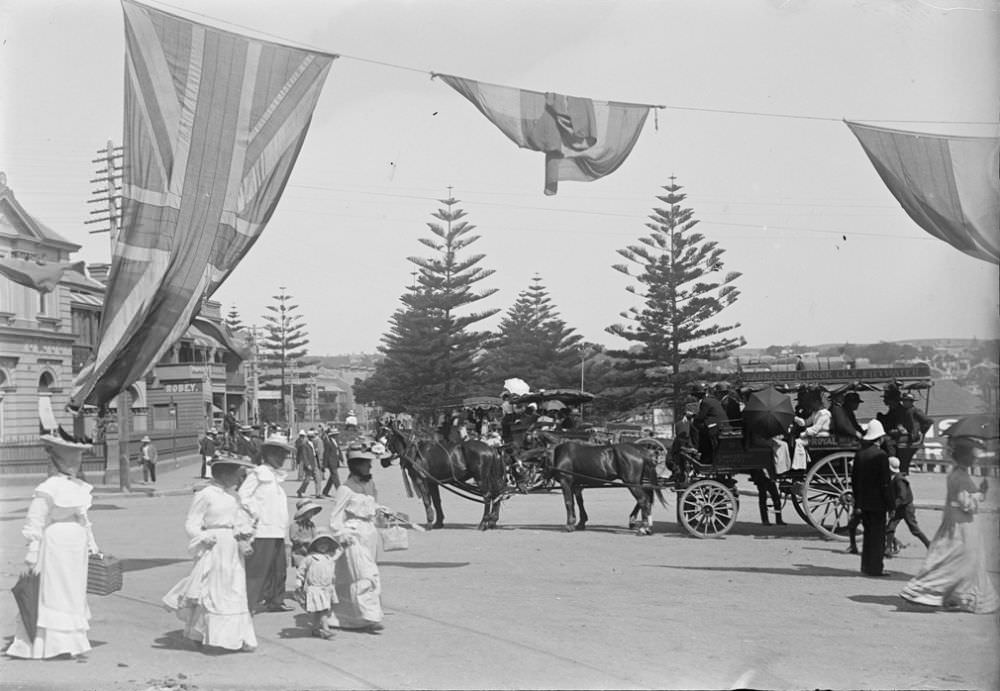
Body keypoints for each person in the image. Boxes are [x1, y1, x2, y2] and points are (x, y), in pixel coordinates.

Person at [6, 435, 100, 659]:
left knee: (73, 591)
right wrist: (33, 549)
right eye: (71, 461)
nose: (75, 466)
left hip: (75, 546)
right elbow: (35, 520)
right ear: (60, 462)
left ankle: (71, 642)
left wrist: (92, 543)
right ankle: (49, 643)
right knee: (54, 591)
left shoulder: (78, 486)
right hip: (56, 545)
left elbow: (83, 518)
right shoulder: (48, 488)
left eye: (77, 462)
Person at [162, 456, 257, 652]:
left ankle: (237, 637)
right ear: (223, 474)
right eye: (235, 474)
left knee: (234, 589)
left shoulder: (234, 496)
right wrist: (203, 536)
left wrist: (246, 533)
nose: (238, 479)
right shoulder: (206, 494)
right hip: (214, 546)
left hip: (232, 547)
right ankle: (203, 635)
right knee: (212, 591)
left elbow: (239, 520)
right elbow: (192, 523)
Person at [899, 436, 999, 614]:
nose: (974, 459)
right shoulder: (959, 476)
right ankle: (930, 590)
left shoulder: (958, 473)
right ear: (963, 456)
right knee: (958, 557)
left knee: (962, 558)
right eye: (971, 456)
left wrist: (979, 492)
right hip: (962, 523)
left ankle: (957, 594)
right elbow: (965, 503)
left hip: (959, 521)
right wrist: (980, 495)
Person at [240, 434, 293, 614]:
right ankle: (248, 604)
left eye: (284, 455)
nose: (282, 458)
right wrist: (256, 512)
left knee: (279, 569)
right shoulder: (258, 474)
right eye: (278, 454)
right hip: (263, 530)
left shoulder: (275, 476)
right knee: (258, 570)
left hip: (277, 529)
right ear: (268, 454)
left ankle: (275, 599)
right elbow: (243, 496)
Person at [327, 485, 384, 632]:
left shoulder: (370, 486)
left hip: (369, 534)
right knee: (362, 574)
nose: (367, 468)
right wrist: (342, 533)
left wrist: (381, 512)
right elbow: (336, 515)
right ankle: (368, 615)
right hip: (353, 535)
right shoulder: (345, 489)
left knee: (372, 572)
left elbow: (372, 508)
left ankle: (362, 616)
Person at [850, 420, 894, 577]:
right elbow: (885, 483)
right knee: (877, 537)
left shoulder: (860, 455)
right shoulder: (881, 456)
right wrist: (891, 503)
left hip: (863, 501)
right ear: (880, 438)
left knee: (868, 535)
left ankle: (866, 566)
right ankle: (875, 568)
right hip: (878, 503)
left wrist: (858, 501)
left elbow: (854, 481)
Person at [295, 529, 344, 639]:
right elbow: (301, 571)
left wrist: (343, 543)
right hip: (315, 588)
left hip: (326, 588)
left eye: (325, 544)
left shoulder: (329, 558)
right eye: (320, 544)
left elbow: (339, 551)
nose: (323, 546)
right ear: (315, 545)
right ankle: (326, 629)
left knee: (320, 610)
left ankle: (316, 629)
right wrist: (299, 583)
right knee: (323, 610)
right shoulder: (310, 558)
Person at [884, 456, 930, 557]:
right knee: (890, 527)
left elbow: (902, 496)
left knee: (914, 529)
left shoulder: (899, 480)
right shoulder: (895, 478)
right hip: (900, 507)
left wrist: (893, 507)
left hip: (906, 508)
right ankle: (888, 549)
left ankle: (929, 545)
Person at [692, 384, 729, 464]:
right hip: (722, 425)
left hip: (716, 427)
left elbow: (701, 417)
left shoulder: (705, 402)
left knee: (695, 427)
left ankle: (701, 452)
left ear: (697, 396)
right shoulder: (713, 400)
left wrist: (692, 417)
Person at [289, 499, 322, 569]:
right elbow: (293, 537)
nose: (312, 514)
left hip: (310, 552)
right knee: (301, 570)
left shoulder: (311, 525)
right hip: (299, 552)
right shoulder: (295, 524)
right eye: (310, 512)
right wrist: (304, 540)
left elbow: (314, 536)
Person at [296, 430, 322, 499]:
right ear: (309, 437)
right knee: (307, 480)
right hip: (309, 463)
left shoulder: (313, 443)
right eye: (312, 437)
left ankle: (318, 493)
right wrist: (307, 464)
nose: (313, 438)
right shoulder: (305, 444)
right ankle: (300, 491)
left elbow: (315, 453)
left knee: (318, 478)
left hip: (314, 462)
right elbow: (304, 455)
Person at [320, 427, 343, 497]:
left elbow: (338, 451)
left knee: (332, 478)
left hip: (335, 461)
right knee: (335, 477)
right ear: (332, 435)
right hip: (331, 462)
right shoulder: (328, 442)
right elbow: (326, 454)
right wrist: (324, 465)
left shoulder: (335, 442)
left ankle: (325, 491)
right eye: (336, 434)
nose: (337, 435)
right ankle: (340, 492)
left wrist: (341, 458)